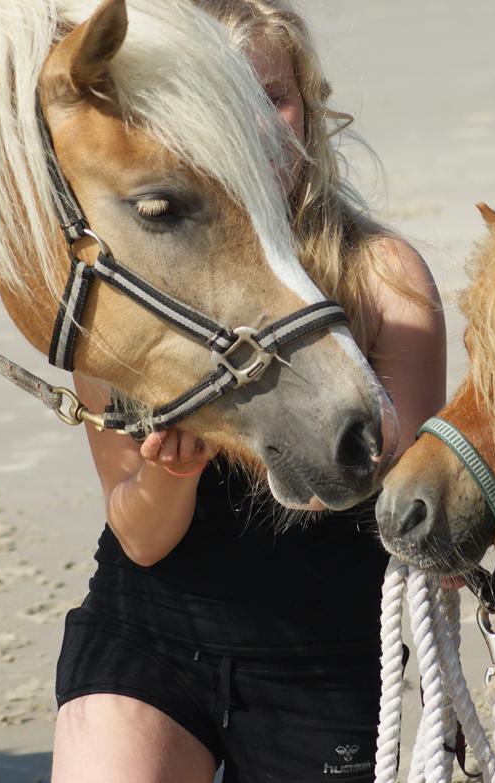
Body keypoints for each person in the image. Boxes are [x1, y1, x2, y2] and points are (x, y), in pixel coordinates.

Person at [50, 2, 446, 780]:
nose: (258, 127)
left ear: (310, 105)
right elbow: (142, 539)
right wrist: (172, 472)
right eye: (226, 102)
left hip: (321, 656)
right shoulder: (131, 285)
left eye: (273, 97)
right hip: (152, 634)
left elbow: (401, 493)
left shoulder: (381, 274)